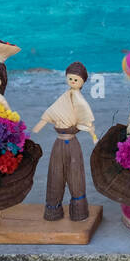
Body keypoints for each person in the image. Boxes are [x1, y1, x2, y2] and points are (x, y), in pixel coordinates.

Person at [32, 61, 97, 221]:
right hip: (59, 142)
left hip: (72, 142)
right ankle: (52, 210)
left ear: (82, 82)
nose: (73, 82)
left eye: (76, 80)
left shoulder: (80, 100)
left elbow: (86, 117)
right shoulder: (63, 97)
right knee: (55, 175)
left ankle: (79, 212)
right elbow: (51, 112)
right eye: (71, 79)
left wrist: (92, 134)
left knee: (76, 176)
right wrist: (36, 128)